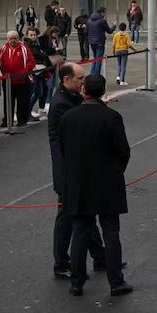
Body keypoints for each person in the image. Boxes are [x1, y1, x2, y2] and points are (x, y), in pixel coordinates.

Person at [60, 74, 132, 297]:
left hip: (79, 181)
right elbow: (123, 151)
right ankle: (115, 281)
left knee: (80, 231)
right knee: (111, 231)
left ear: (84, 90)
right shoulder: (111, 117)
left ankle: (76, 281)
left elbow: (63, 149)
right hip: (107, 180)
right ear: (102, 92)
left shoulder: (68, 117)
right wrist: (116, 170)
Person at [49, 62, 105, 279]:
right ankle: (61, 263)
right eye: (80, 79)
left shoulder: (70, 98)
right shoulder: (62, 104)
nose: (84, 82)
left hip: (76, 168)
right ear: (66, 79)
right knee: (67, 218)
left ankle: (100, 256)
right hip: (68, 170)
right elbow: (75, 132)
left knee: (85, 215)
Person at [0, 30, 35, 128]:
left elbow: (31, 61)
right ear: (7, 39)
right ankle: (7, 121)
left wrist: (25, 71)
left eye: (15, 38)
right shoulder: (3, 48)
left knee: (22, 101)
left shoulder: (24, 48)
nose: (13, 40)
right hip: (8, 81)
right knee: (8, 101)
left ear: (18, 39)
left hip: (22, 80)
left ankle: (22, 120)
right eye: (11, 39)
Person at [85, 7, 112, 76]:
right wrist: (114, 26)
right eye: (105, 12)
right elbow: (109, 31)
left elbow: (86, 31)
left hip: (92, 42)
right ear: (102, 12)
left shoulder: (89, 20)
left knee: (95, 58)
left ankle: (92, 73)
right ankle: (96, 75)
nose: (106, 14)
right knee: (99, 59)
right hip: (100, 42)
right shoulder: (102, 21)